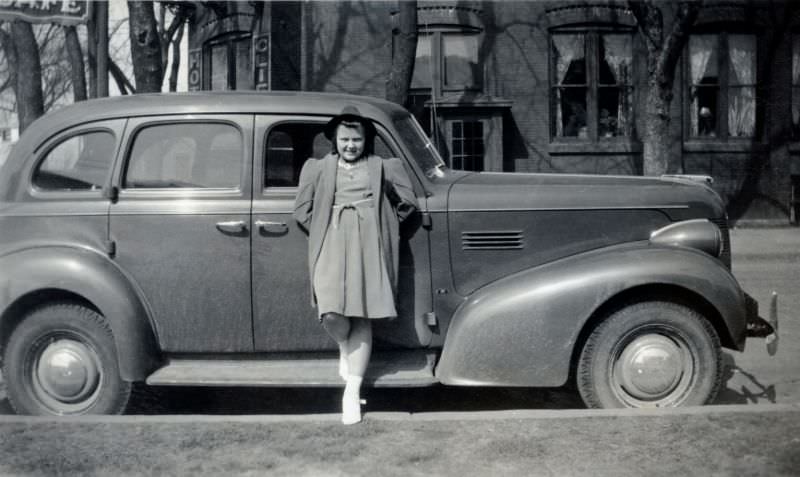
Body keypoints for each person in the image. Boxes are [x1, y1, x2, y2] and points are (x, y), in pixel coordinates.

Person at [293, 105, 418, 424]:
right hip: (331, 242)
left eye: (357, 139)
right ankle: (345, 348)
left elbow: (408, 205)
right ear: (335, 140)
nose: (351, 145)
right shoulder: (317, 168)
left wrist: (384, 228)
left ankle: (352, 391)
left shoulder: (382, 167)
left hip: (369, 245)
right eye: (345, 139)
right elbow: (301, 210)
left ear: (366, 141)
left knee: (362, 314)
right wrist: (325, 226)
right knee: (332, 312)